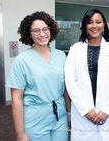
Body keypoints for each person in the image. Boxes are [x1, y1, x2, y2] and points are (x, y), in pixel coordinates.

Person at [65, 9, 109, 141]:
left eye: (98, 22)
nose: (94, 26)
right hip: (83, 111)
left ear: (104, 25)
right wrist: (86, 110)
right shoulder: (75, 49)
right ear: (85, 26)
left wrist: (107, 111)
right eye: (90, 22)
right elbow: (70, 81)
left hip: (108, 111)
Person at [6, 11, 70, 141]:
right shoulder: (22, 60)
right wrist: (20, 134)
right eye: (36, 30)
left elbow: (65, 89)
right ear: (29, 34)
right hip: (35, 117)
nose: (42, 34)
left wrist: (69, 113)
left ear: (51, 30)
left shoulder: (61, 56)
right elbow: (16, 98)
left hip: (60, 115)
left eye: (45, 29)